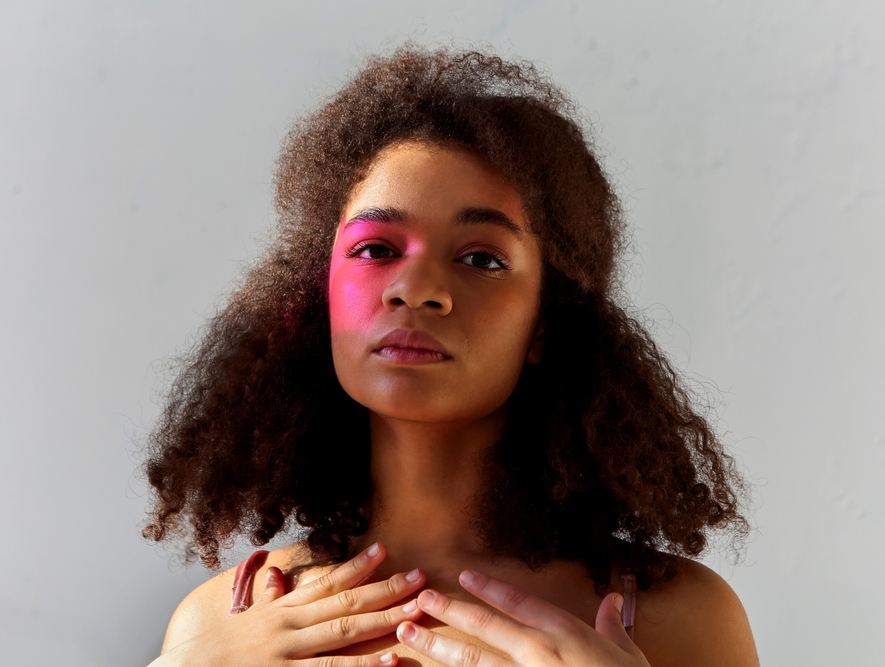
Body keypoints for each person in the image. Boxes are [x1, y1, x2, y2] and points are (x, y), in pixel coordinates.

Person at [143, 46, 758, 667]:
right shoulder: (221, 622)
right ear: (317, 295)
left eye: (481, 259)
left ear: (545, 323)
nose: (416, 288)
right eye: (376, 248)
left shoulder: (674, 620)